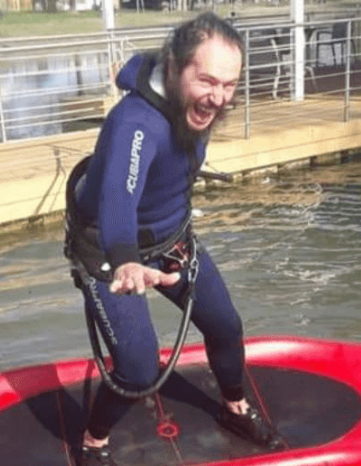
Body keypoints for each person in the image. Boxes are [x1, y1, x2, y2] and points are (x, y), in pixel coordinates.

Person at [65, 12, 283, 466]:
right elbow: (118, 198)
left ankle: (234, 409)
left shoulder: (194, 105)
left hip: (172, 241)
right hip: (110, 249)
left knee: (225, 325)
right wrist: (125, 260)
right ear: (174, 67)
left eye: (229, 85)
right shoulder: (135, 122)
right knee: (138, 369)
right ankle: (93, 442)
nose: (218, 97)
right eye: (208, 81)